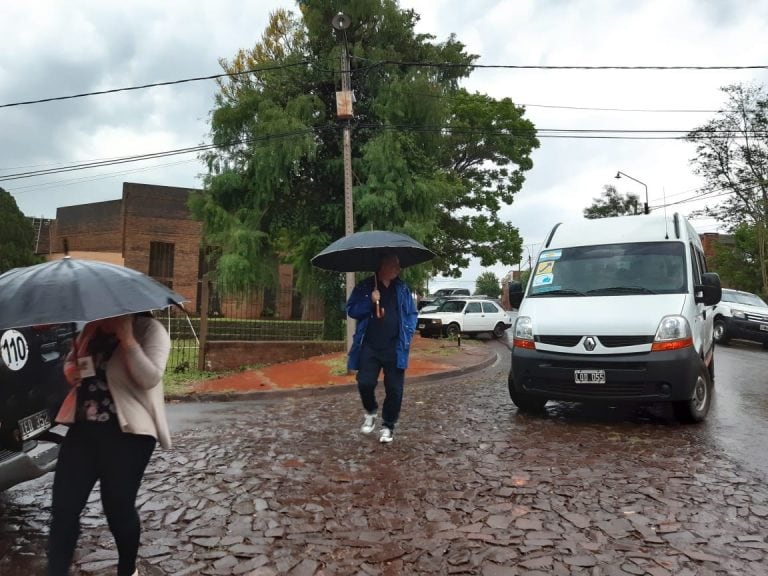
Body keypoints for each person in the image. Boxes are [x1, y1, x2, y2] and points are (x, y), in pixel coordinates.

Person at [47, 312, 172, 576]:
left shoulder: (149, 330)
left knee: (117, 508)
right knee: (63, 508)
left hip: (129, 436)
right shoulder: (91, 329)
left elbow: (149, 378)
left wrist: (127, 340)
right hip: (83, 432)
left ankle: (128, 570)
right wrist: (72, 369)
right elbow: (72, 364)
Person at [346, 253, 418, 443]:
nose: (398, 269)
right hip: (370, 345)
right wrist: (370, 301)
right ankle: (370, 411)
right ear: (383, 267)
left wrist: (409, 333)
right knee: (365, 383)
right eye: (394, 265)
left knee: (394, 389)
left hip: (395, 347)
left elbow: (411, 313)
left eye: (398, 266)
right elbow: (351, 310)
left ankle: (388, 425)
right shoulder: (365, 287)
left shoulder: (402, 289)